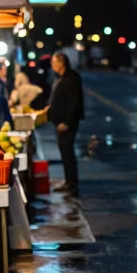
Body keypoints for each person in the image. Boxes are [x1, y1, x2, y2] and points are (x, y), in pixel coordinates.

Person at [47, 50, 84, 196]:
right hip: (60, 122)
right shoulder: (61, 78)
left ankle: (71, 183)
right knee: (64, 152)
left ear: (61, 63)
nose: (52, 66)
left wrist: (66, 122)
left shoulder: (71, 78)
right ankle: (69, 181)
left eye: (54, 63)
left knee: (67, 152)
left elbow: (74, 103)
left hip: (66, 123)